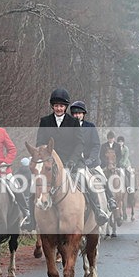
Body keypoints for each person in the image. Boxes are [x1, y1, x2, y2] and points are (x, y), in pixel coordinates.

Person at [33, 88, 107, 230]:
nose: (59, 108)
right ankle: (30, 218)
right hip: (50, 162)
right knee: (35, 184)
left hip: (72, 162)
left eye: (61, 106)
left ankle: (98, 211)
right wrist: (42, 156)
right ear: (52, 106)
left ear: (65, 107)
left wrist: (72, 160)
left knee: (86, 180)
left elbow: (79, 144)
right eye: (56, 106)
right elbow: (40, 142)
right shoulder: (45, 121)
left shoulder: (73, 122)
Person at [69, 100, 117, 214]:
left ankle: (110, 200)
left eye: (79, 113)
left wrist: (90, 159)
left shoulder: (90, 127)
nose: (77, 115)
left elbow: (96, 145)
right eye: (75, 113)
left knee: (102, 178)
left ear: (83, 114)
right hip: (73, 162)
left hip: (90, 162)